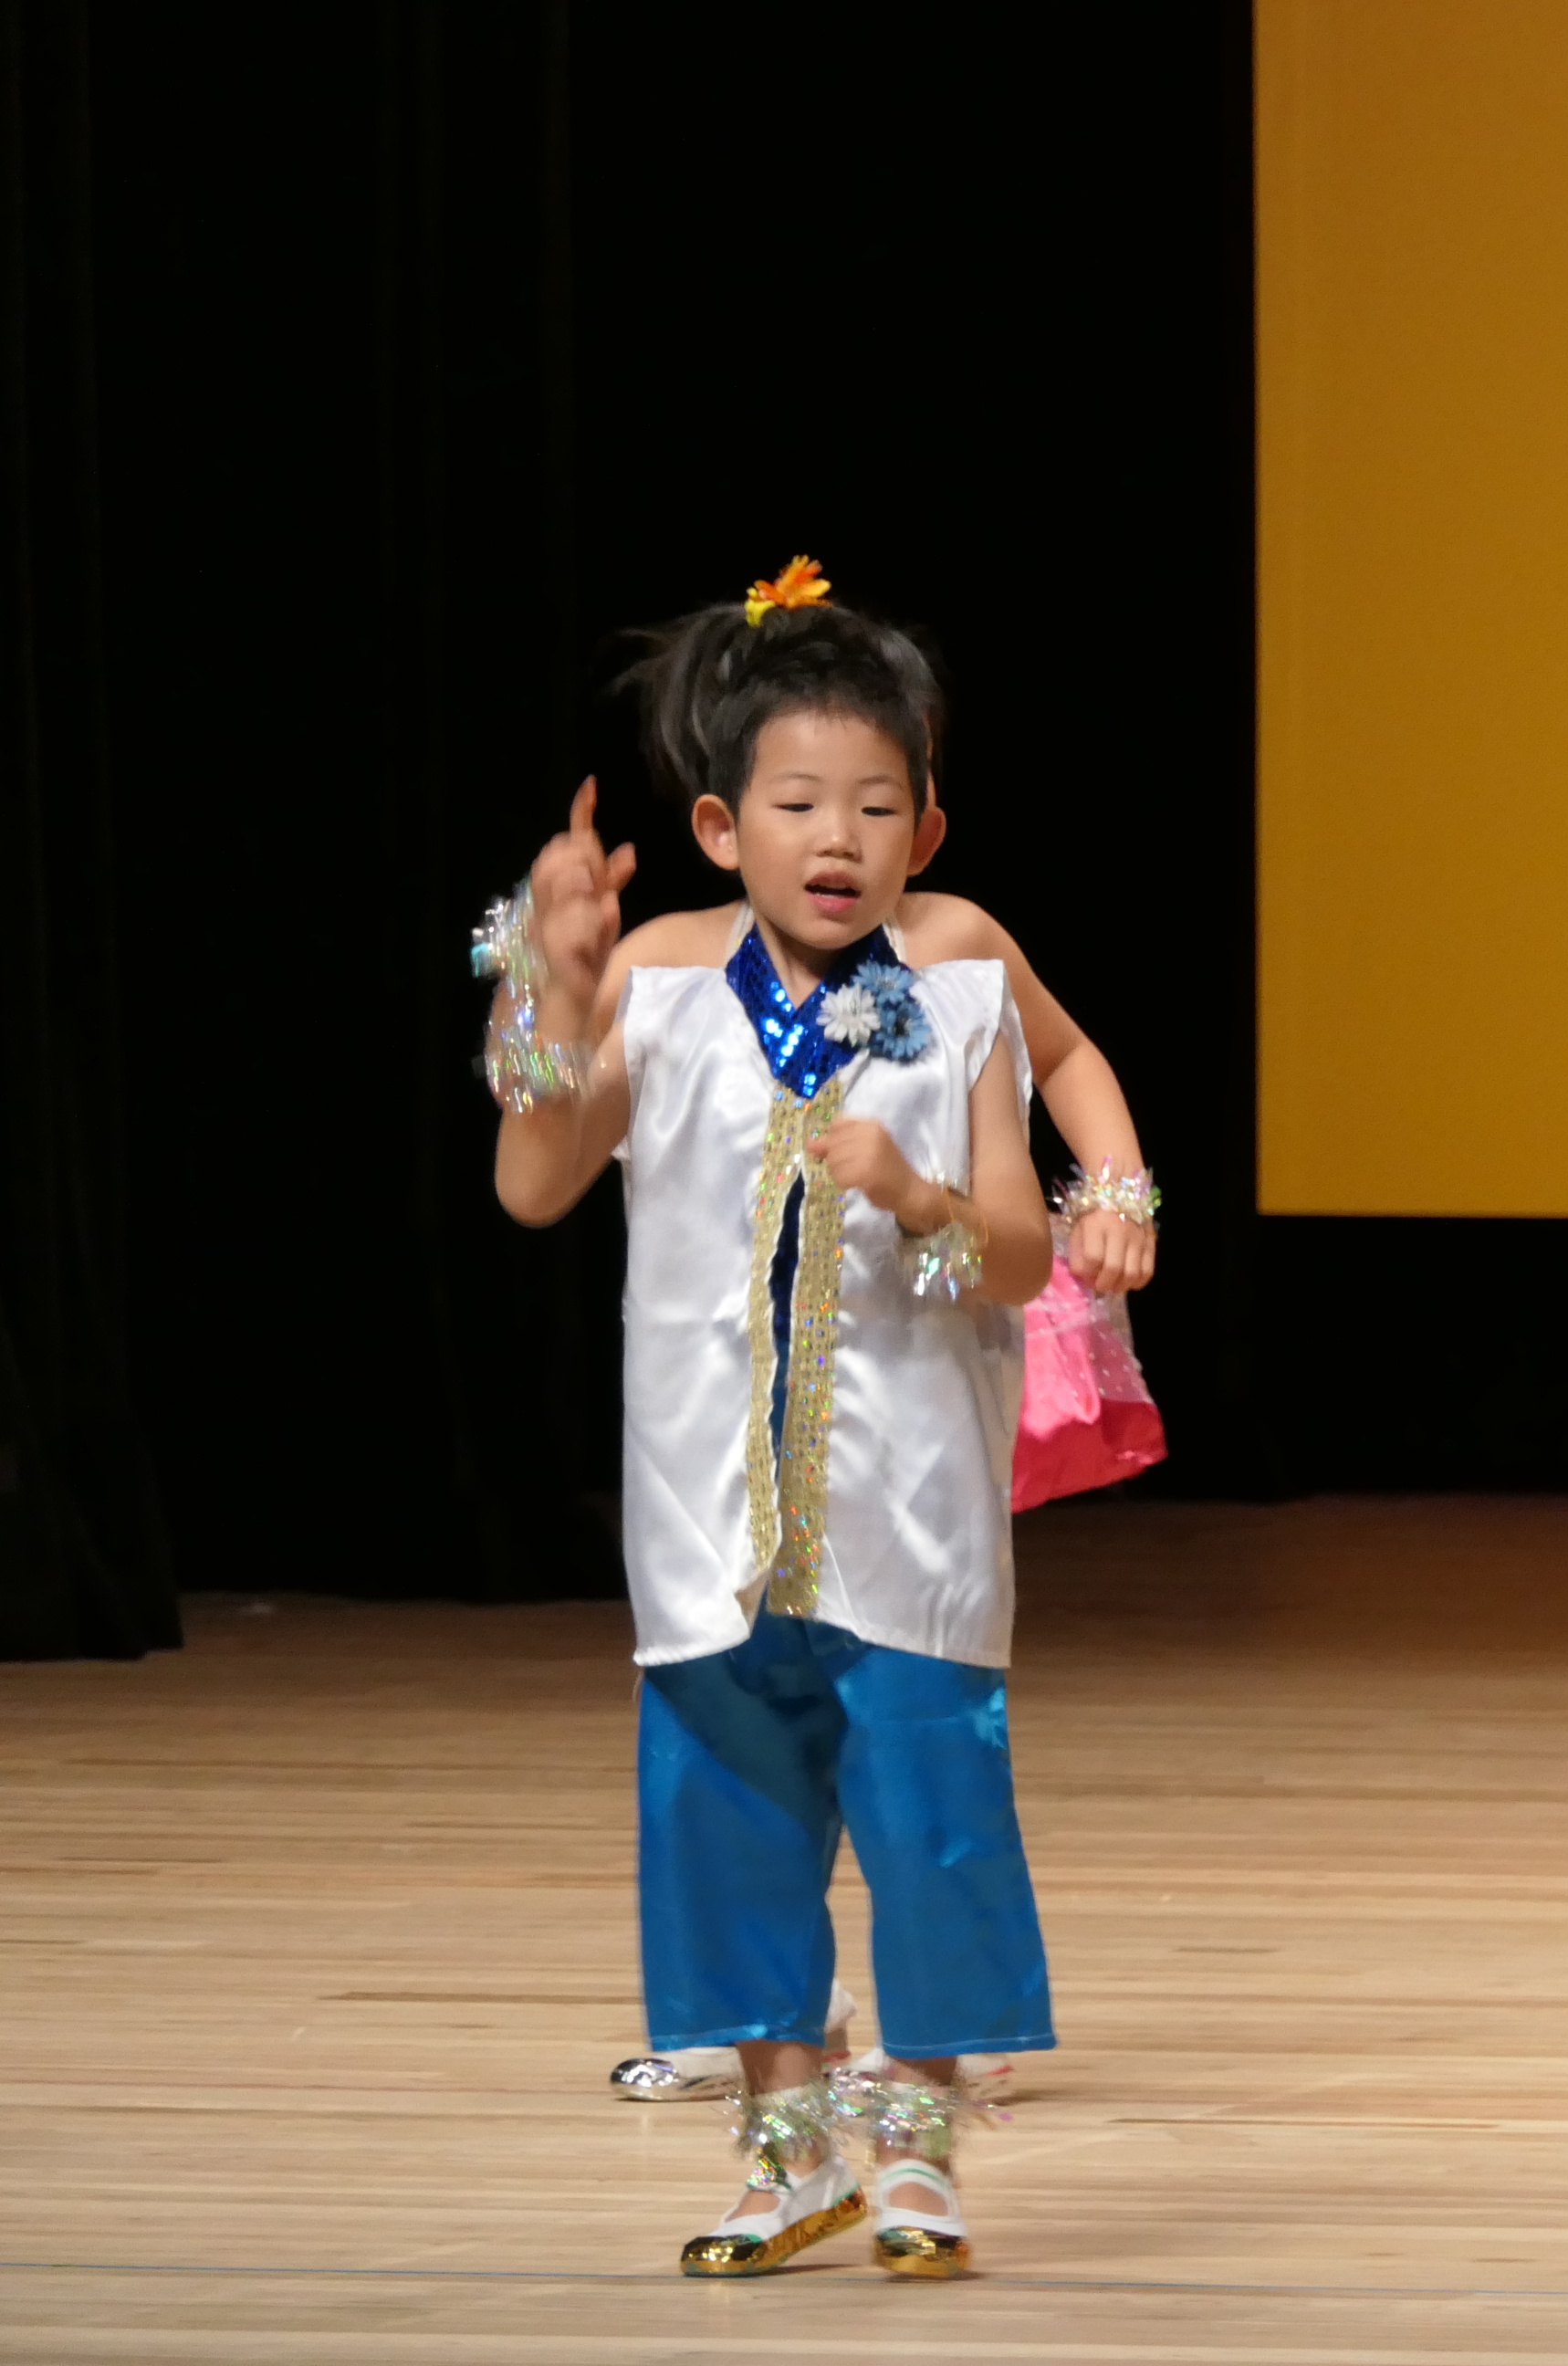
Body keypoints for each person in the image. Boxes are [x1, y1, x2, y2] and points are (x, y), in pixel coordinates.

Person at [482, 556, 1133, 2277]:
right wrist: (546, 983)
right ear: (719, 826)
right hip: (705, 1510)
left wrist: (921, 1197)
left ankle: (914, 2152)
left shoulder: (962, 987)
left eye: (875, 804)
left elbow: (1013, 1257)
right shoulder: (662, 982)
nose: (836, 836)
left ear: (927, 828)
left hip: (910, 1513)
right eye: (795, 803)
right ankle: (787, 2157)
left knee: (933, 1827)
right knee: (728, 1830)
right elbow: (534, 1178)